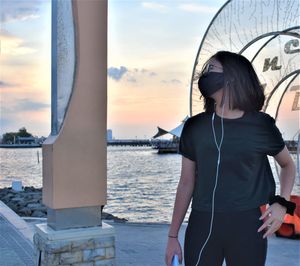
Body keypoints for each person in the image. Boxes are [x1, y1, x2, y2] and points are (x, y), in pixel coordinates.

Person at [165, 51, 296, 266]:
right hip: (202, 222)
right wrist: (172, 237)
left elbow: (287, 165)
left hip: (248, 224)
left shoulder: (261, 125)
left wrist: (282, 204)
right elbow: (186, 183)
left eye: (212, 70)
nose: (205, 76)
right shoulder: (194, 127)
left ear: (233, 76)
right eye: (205, 71)